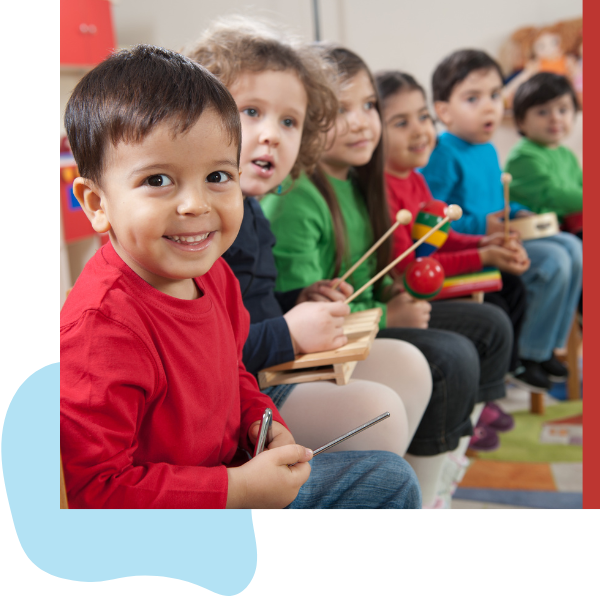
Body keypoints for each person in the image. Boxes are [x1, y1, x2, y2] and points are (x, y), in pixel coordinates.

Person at [60, 44, 421, 510]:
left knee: (389, 476)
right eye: (157, 180)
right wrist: (236, 490)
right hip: (175, 523)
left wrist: (263, 421)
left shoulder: (217, 275)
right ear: (96, 203)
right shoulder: (99, 330)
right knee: (388, 483)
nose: (196, 205)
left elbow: (233, 371)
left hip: (228, 477)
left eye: (217, 176)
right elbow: (98, 492)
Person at [261, 43, 514, 508]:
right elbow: (303, 309)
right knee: (450, 356)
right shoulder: (297, 199)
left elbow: (380, 275)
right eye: (341, 109)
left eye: (369, 106)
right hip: (323, 346)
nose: (361, 121)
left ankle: (443, 468)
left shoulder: (361, 184)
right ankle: (428, 483)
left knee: (487, 328)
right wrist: (388, 310)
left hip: (363, 322)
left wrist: (398, 293)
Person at [181, 17, 432, 461]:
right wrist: (288, 333)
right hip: (241, 395)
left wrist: (298, 299)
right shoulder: (199, 224)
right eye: (251, 111)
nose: (272, 134)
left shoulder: (250, 207)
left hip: (270, 365)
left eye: (290, 121)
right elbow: (206, 352)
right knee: (382, 411)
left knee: (412, 367)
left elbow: (251, 305)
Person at [374, 69, 543, 411]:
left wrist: (483, 246)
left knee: (511, 286)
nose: (421, 129)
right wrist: (483, 257)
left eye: (423, 116)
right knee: (492, 312)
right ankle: (480, 403)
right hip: (409, 292)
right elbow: (411, 268)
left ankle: (494, 390)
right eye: (401, 122)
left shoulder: (414, 181)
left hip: (426, 277)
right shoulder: (382, 191)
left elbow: (440, 240)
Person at [421, 49, 582, 385]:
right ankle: (526, 354)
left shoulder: (489, 149)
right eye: (472, 98)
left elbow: (497, 202)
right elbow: (433, 221)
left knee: (573, 248)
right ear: (443, 111)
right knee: (554, 259)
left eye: (495, 95)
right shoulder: (442, 152)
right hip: (473, 248)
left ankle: (545, 348)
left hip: (499, 235)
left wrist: (516, 213)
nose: (489, 105)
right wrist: (484, 226)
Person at [505, 72, 582, 237]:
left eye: (563, 110)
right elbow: (552, 194)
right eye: (542, 112)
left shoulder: (566, 154)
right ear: (520, 121)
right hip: (531, 229)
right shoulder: (523, 156)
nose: (555, 118)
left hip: (560, 224)